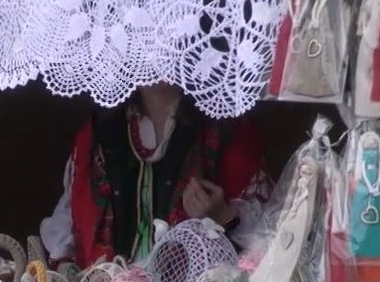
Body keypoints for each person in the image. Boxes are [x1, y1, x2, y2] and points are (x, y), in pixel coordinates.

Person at [38, 82, 274, 267]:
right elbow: (69, 222)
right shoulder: (100, 130)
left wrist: (223, 217)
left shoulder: (226, 128)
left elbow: (267, 241)